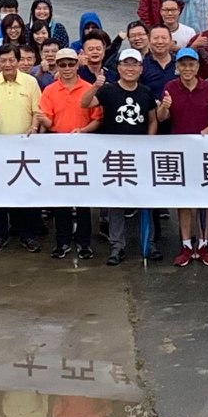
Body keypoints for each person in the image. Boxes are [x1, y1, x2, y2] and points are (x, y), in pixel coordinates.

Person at [86, 47, 162, 265]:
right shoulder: (108, 90)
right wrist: (95, 86)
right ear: (118, 67)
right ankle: (117, 246)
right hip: (115, 154)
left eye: (134, 65)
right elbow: (85, 103)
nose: (130, 69)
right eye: (125, 64)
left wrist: (148, 141)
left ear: (140, 68)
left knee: (146, 198)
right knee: (116, 201)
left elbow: (152, 119)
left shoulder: (145, 92)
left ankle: (149, 243)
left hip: (140, 153)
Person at [158, 46, 208, 267]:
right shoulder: (170, 87)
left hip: (204, 151)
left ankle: (204, 243)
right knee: (184, 200)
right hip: (179, 151)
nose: (187, 69)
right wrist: (164, 108)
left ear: (197, 67)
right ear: (177, 67)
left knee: (205, 200)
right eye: (183, 65)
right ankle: (186, 244)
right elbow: (161, 117)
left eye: (191, 65)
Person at [36, 46, 101, 260]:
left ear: (77, 65)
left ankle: (84, 243)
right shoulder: (50, 91)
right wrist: (41, 120)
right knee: (61, 199)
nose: (66, 68)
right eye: (61, 64)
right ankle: (62, 241)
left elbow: (97, 118)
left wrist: (83, 131)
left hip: (83, 149)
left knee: (83, 200)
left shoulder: (88, 87)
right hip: (58, 149)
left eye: (70, 64)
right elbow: (47, 119)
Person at [0, 46, 43, 251]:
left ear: (18, 61)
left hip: (26, 146)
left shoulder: (31, 82)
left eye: (11, 60)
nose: (7, 64)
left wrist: (34, 128)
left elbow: (37, 110)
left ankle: (27, 234)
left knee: (25, 192)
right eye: (3, 61)